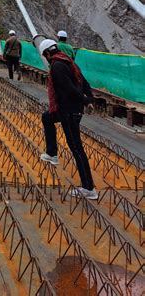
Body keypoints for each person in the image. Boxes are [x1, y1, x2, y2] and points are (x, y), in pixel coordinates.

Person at [39, 39, 97, 200]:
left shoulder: (57, 66)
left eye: (45, 56)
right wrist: (89, 98)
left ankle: (88, 188)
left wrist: (86, 101)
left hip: (69, 112)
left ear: (48, 54)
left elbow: (69, 89)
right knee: (47, 117)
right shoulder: (68, 61)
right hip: (67, 109)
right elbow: (84, 82)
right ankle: (52, 153)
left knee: (77, 149)